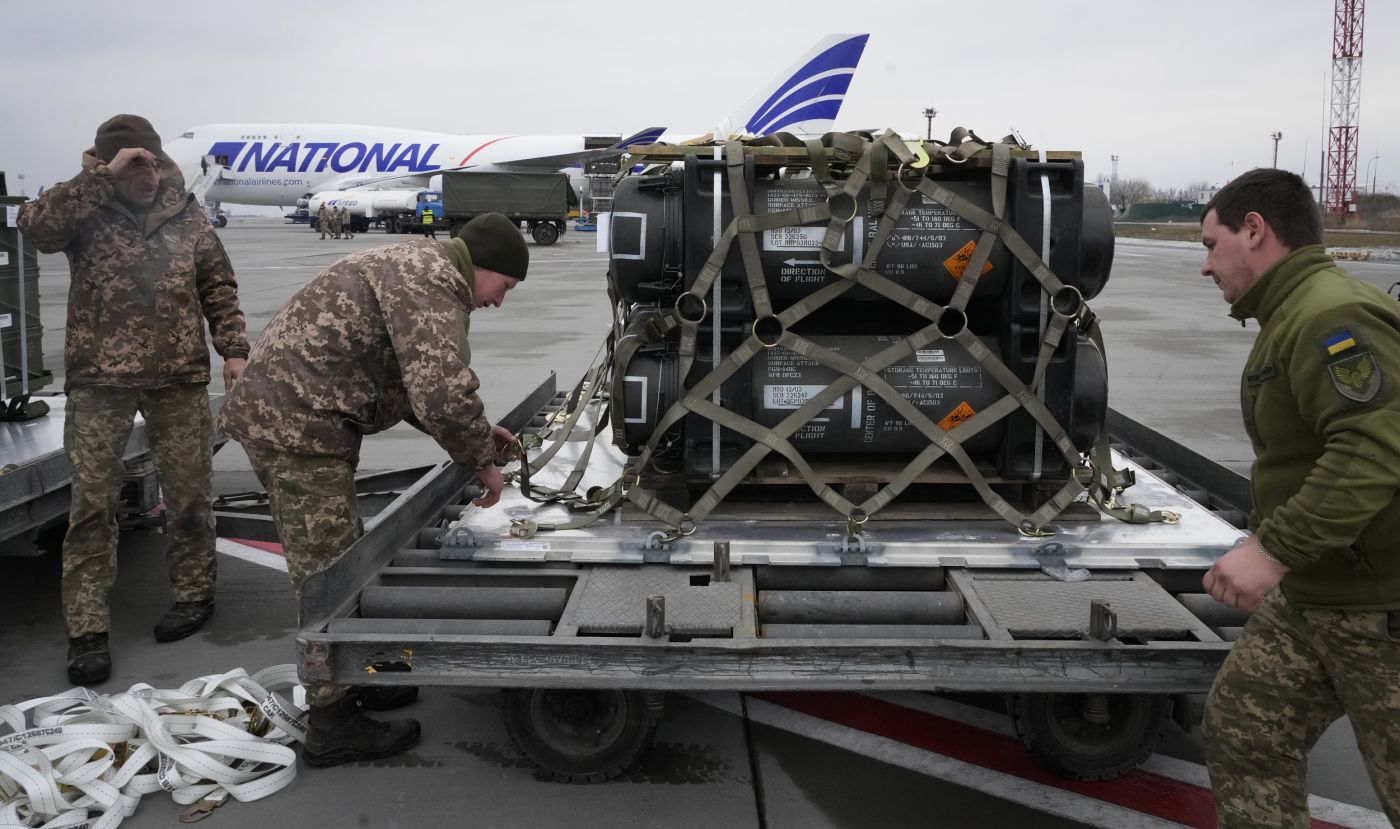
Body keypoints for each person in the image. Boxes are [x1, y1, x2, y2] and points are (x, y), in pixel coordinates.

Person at [217, 212, 525, 766]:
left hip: (298, 417)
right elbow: (439, 389)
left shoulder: (419, 266)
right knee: (327, 574)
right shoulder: (432, 280)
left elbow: (409, 385)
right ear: (482, 265)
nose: (499, 301)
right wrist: (482, 460)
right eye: (504, 286)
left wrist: (481, 433)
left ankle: (360, 678)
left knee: (343, 556)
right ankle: (331, 722)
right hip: (295, 427)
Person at [1198, 167, 1400, 827]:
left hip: (1378, 606)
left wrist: (1272, 552)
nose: (1206, 265)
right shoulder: (1291, 313)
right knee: (1245, 733)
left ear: (1254, 230)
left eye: (1212, 244)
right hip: (1317, 592)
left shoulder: (1329, 313)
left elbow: (1372, 448)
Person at [18, 114, 249, 685]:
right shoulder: (84, 207)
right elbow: (36, 230)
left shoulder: (185, 211)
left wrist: (235, 350)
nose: (149, 175)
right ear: (108, 166)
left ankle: (194, 596)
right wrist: (99, 179)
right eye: (134, 167)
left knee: (190, 497)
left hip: (179, 378)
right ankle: (87, 631)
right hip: (101, 382)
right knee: (92, 508)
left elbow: (217, 283)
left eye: (153, 163)